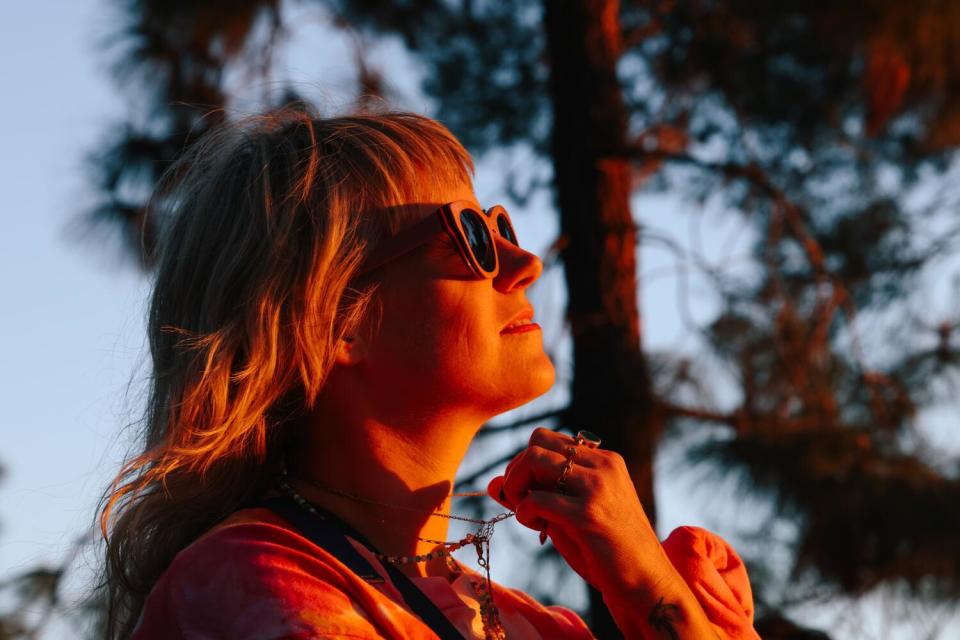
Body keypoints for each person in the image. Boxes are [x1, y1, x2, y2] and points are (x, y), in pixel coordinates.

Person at [98, 107, 760, 639]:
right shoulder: (245, 587)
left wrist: (656, 589)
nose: (523, 260)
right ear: (335, 320)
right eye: (470, 235)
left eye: (501, 223)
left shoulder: (531, 624)